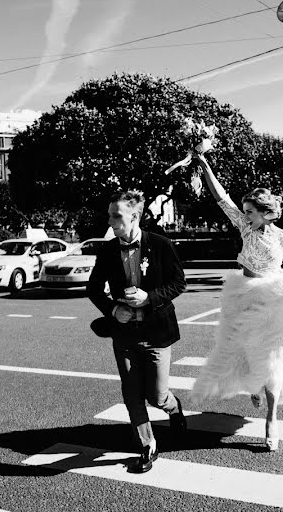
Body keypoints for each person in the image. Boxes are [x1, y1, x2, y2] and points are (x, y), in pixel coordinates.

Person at [191, 154, 283, 452]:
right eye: (243, 212)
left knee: (272, 360)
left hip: (274, 301)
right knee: (242, 351)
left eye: (250, 212)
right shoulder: (245, 228)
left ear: (265, 213)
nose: (244, 216)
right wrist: (206, 166)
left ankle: (272, 418)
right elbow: (222, 199)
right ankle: (255, 388)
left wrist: (280, 285)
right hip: (243, 297)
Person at [87, 190, 188, 474]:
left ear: (134, 216)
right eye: (110, 215)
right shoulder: (107, 250)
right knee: (131, 394)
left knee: (157, 395)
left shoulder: (161, 244)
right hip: (124, 335)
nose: (111, 220)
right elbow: (93, 289)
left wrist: (149, 298)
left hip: (157, 332)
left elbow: (179, 283)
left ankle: (174, 408)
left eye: (116, 215)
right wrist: (111, 310)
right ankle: (147, 446)